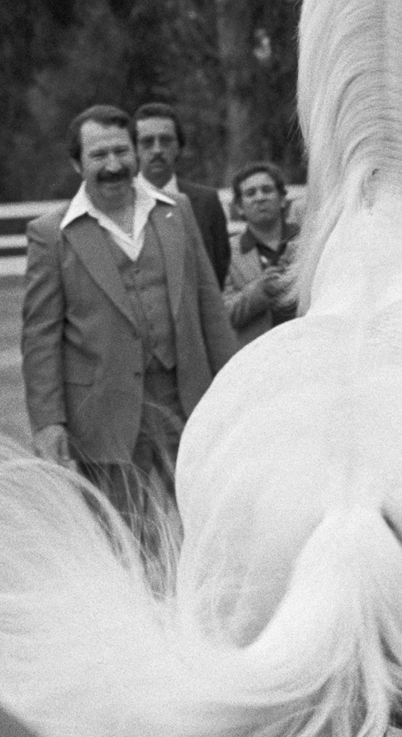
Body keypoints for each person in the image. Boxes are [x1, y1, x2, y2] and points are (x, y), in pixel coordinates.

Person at [22, 106, 238, 522]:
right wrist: (48, 423)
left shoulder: (177, 210)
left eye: (122, 151)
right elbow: (40, 339)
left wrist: (234, 387)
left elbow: (209, 303)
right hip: (104, 411)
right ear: (76, 163)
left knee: (209, 517)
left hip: (186, 397)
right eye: (98, 155)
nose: (113, 165)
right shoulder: (51, 234)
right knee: (125, 533)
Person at [134, 102, 231, 286]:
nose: (157, 150)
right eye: (147, 142)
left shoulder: (206, 202)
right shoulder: (121, 201)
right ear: (134, 149)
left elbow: (218, 268)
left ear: (179, 146)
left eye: (166, 140)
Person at [223, 161, 298, 346]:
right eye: (250, 193)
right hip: (258, 359)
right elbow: (223, 315)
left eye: (267, 190)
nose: (260, 197)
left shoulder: (307, 241)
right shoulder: (228, 253)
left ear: (282, 199)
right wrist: (259, 290)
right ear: (239, 207)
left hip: (311, 350)